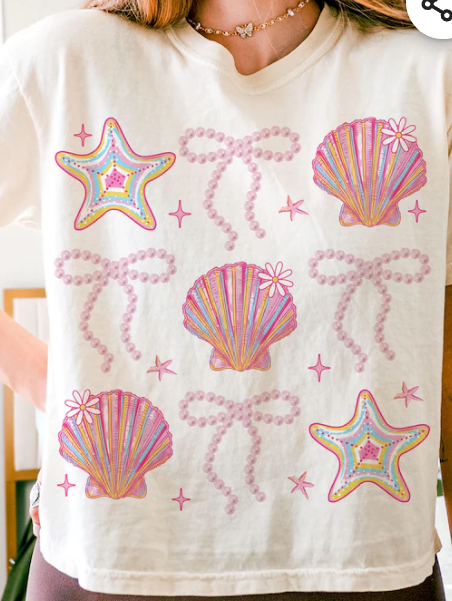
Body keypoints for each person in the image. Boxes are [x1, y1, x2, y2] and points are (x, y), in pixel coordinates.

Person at [0, 0, 451, 598]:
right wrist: (46, 382)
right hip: (114, 555)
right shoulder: (64, 62)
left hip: (362, 556)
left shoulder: (428, 68)